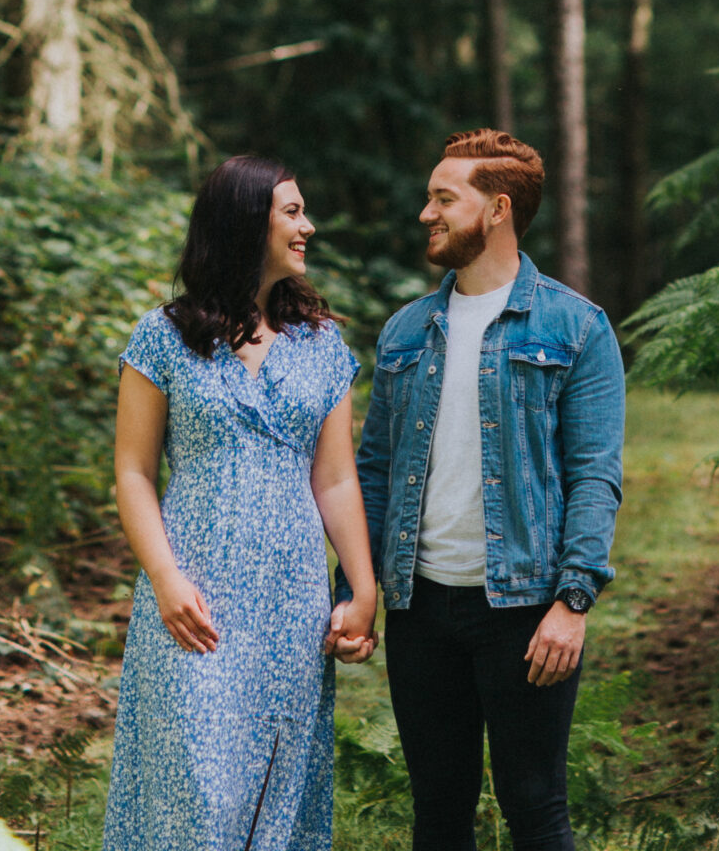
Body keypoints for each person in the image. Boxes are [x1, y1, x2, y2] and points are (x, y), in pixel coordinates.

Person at [351, 129, 625, 851]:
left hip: (525, 609)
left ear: (497, 209)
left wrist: (573, 601)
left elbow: (593, 473)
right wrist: (364, 586)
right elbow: (373, 468)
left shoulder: (576, 327)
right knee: (438, 813)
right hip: (421, 609)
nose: (425, 213)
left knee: (534, 807)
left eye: (444, 198)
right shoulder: (406, 331)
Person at [105, 157, 377, 851]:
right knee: (192, 790)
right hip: (194, 593)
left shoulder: (322, 345)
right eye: (291, 211)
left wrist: (363, 589)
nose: (307, 226)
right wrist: (165, 579)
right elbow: (133, 473)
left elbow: (336, 480)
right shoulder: (162, 337)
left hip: (290, 599)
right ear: (243, 221)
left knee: (275, 787)